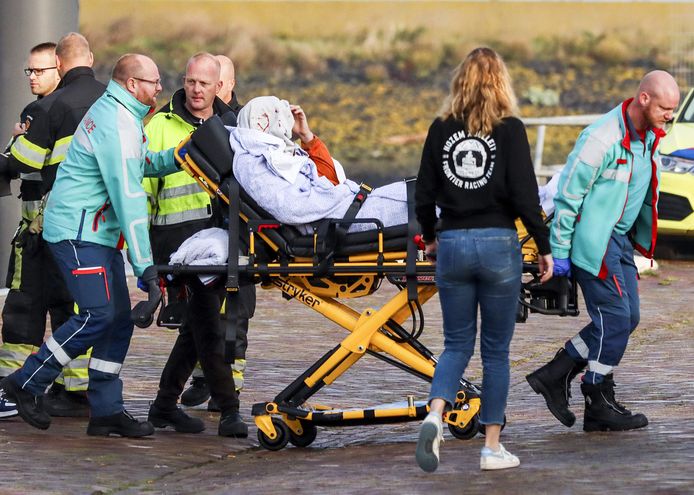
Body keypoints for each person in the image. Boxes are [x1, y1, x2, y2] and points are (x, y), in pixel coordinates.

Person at [0, 53, 180, 437]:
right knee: (97, 315)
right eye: (154, 81)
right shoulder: (117, 122)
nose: (160, 87)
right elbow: (129, 196)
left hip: (93, 233)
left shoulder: (123, 115)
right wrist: (146, 266)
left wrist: (178, 158)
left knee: (118, 320)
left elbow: (138, 163)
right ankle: (25, 384)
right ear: (132, 84)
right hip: (78, 234)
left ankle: (106, 411)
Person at [413, 47, 553, 472]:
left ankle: (435, 413)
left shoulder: (441, 129)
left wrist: (431, 238)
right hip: (498, 244)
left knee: (455, 344)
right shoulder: (510, 130)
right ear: (501, 82)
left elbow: (423, 194)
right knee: (495, 353)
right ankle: (491, 448)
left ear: (460, 81)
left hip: (452, 242)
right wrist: (544, 247)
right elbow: (526, 197)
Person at [525, 70, 679, 432]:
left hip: (620, 240)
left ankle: (556, 373)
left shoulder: (648, 137)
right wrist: (559, 250)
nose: (670, 116)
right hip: (594, 241)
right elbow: (568, 196)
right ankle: (597, 398)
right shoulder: (601, 137)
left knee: (628, 319)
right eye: (665, 108)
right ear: (644, 99)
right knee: (615, 319)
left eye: (673, 110)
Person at [0, 34, 106, 418]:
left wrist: (15, 143)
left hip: (41, 231)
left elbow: (23, 163)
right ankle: (76, 388)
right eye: (28, 70)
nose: (31, 77)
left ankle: (12, 388)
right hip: (89, 229)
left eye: (38, 69)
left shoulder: (44, 110)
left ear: (59, 66)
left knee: (23, 309)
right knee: (74, 307)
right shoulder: (106, 102)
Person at [145, 52, 248, 437]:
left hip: (220, 244)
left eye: (204, 83)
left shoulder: (231, 124)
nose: (196, 89)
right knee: (206, 324)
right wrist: (146, 255)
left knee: (195, 328)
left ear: (218, 84)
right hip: (177, 246)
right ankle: (229, 410)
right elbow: (143, 190)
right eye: (190, 81)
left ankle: (163, 405)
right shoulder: (161, 125)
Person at [230, 96, 403, 233]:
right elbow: (291, 209)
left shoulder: (278, 153)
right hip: (337, 217)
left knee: (418, 191)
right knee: (416, 198)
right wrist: (335, 195)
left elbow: (331, 179)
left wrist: (307, 137)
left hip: (347, 207)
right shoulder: (254, 164)